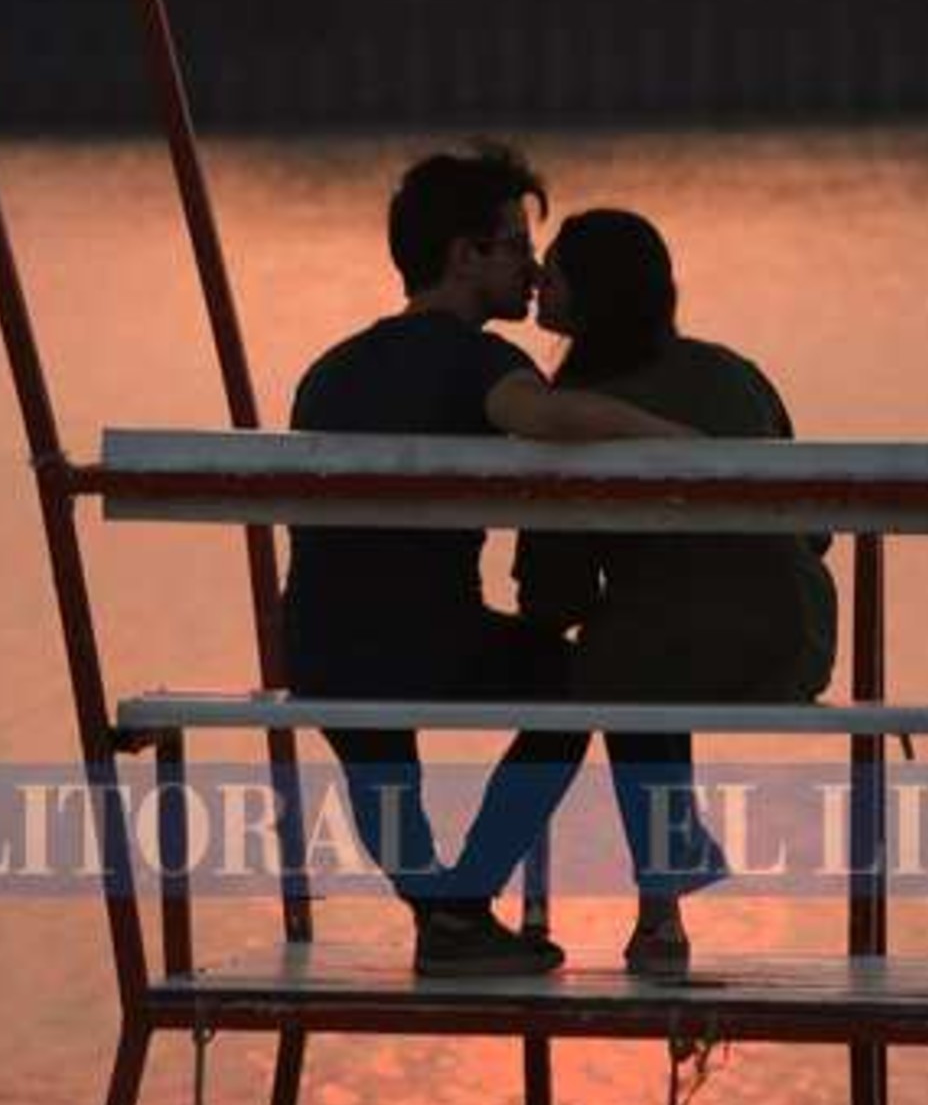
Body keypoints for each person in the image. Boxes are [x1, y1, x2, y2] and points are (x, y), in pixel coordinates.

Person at [282, 142, 692, 978]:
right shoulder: (483, 362)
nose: (532, 269)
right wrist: (674, 440)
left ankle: (442, 912)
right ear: (464, 257)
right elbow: (542, 419)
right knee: (570, 682)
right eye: (514, 246)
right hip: (427, 644)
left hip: (318, 651)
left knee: (373, 725)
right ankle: (463, 905)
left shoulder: (328, 370)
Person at [516, 208, 838, 977]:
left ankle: (646, 909)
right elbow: (815, 529)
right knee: (647, 645)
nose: (535, 282)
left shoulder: (576, 410)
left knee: (619, 663)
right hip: (792, 643)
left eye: (552, 273)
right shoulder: (734, 371)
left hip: (662, 657)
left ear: (589, 298)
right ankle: (660, 910)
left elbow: (552, 595)